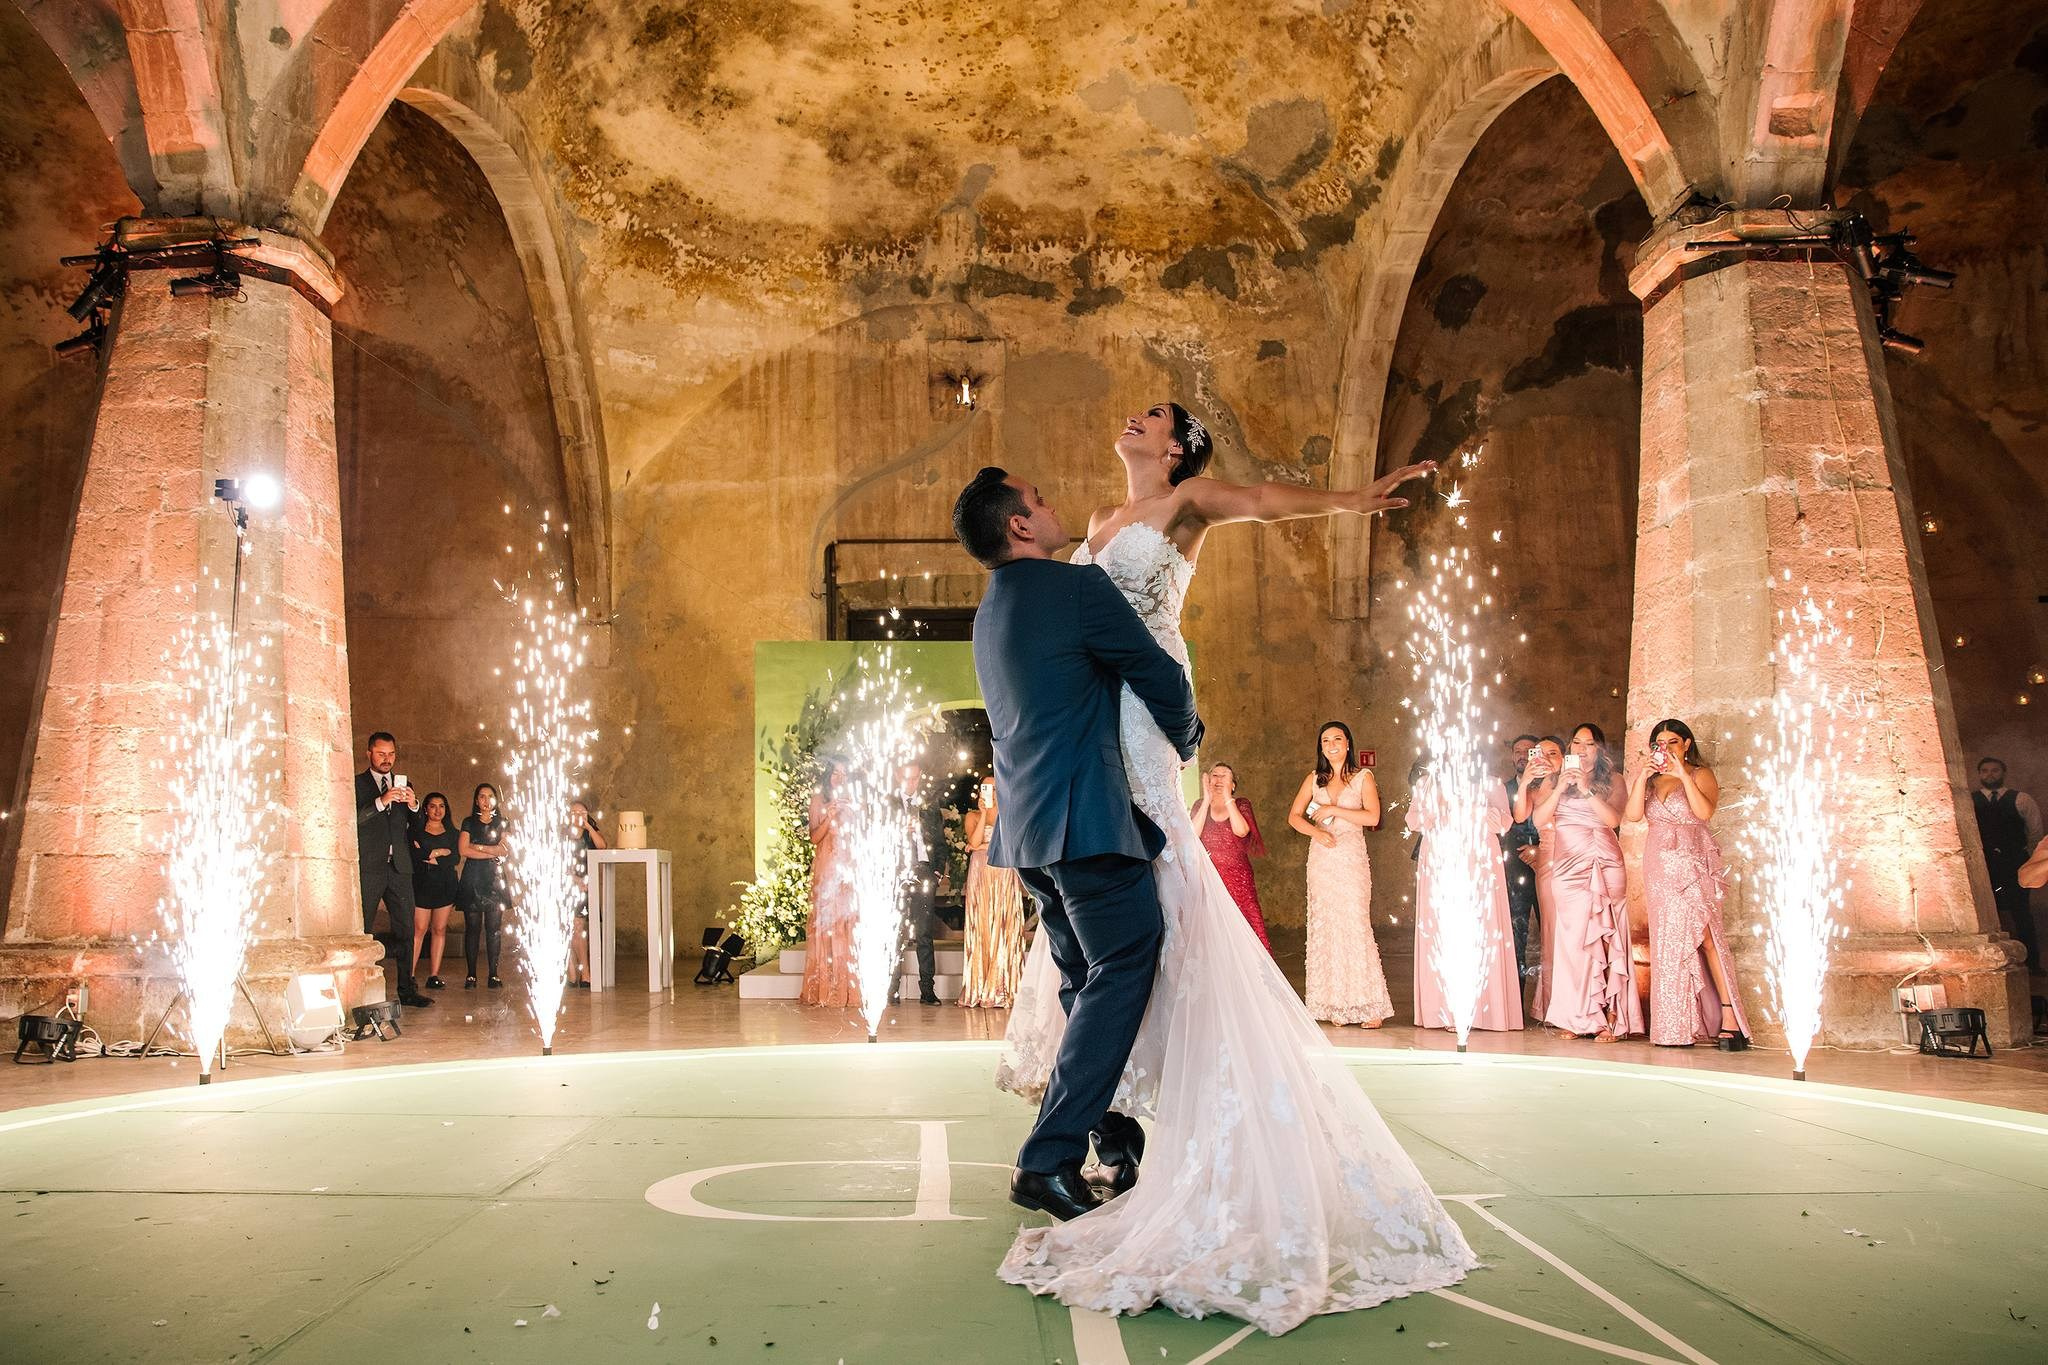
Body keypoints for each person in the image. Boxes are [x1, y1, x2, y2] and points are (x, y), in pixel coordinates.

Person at [977, 402, 1472, 1334]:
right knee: (1105, 943)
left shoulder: (1188, 500)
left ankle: (1132, 1131)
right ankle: (1113, 1135)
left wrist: (1353, 499)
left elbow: (1261, 499)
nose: (1133, 416)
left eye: (1155, 416)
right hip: (1094, 723)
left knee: (1146, 921)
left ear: (1175, 449)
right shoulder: (1089, 529)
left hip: (1143, 713)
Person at [1625, 720, 1750, 1047]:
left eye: (1672, 742)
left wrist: (1682, 774)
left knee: (1707, 936)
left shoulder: (1700, 773)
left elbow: (1704, 812)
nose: (1665, 748)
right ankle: (1674, 1027)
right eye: (1659, 743)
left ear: (1686, 743)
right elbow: (1634, 815)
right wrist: (1641, 775)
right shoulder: (1651, 781)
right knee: (1667, 941)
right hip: (1659, 866)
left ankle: (1729, 1015)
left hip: (1693, 861)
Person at [1525, 724, 1642, 1041]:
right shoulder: (1554, 779)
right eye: (1576, 743)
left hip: (1602, 861)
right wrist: (1562, 786)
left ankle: (1613, 1017)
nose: (1581, 748)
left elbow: (1613, 820)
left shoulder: (1612, 780)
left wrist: (1587, 790)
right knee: (1573, 942)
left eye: (1589, 744)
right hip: (1566, 867)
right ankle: (1578, 1016)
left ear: (1600, 750)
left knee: (1606, 938)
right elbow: (1538, 820)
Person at [1289, 721, 1393, 1027]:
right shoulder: (1313, 779)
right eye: (1325, 740)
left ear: (1348, 743)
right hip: (1322, 859)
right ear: (1320, 747)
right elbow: (1294, 816)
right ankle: (1334, 1005)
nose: (1331, 744)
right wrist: (1315, 833)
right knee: (1326, 928)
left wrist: (1334, 810)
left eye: (1337, 738)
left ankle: (1370, 1006)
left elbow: (1372, 816)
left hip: (1350, 858)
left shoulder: (1363, 777)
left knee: (1355, 924)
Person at [1407, 763, 1524, 1032]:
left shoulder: (1490, 782)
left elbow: (1503, 823)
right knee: (1443, 933)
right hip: (1439, 863)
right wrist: (1440, 804)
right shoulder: (1427, 783)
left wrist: (1469, 804)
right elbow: (1413, 821)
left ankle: (1483, 1009)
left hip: (1478, 864)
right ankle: (1445, 1009)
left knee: (1478, 932)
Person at [354, 732, 431, 1009]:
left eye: (391, 754)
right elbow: (354, 819)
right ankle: (358, 989)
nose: (387, 760)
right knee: (363, 928)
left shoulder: (404, 783)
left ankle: (407, 989)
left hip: (399, 867)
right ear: (369, 754)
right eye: (381, 754)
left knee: (406, 929)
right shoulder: (357, 784)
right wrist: (382, 801)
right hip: (371, 867)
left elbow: (418, 825)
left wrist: (413, 805)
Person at [959, 779, 1029, 1008]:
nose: (990, 792)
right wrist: (983, 814)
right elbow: (973, 841)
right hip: (980, 874)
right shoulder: (972, 816)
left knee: (1004, 923)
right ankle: (978, 986)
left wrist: (979, 848)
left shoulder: (1008, 812)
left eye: (994, 787)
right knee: (980, 926)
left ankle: (1002, 986)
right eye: (986, 788)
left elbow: (1010, 843)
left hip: (1003, 871)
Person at [1190, 763, 1271, 951]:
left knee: (1245, 925)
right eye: (1214, 775)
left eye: (1224, 775)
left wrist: (1228, 799)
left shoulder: (1242, 804)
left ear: (1233, 784)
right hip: (1209, 878)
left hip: (1238, 879)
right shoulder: (1198, 805)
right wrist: (1206, 800)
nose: (1218, 779)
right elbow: (1192, 834)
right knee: (1212, 928)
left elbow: (1241, 831)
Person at [1974, 758, 2043, 970]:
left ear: (2003, 772)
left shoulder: (2021, 799)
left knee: (2021, 912)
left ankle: (2032, 964)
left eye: (1995, 770)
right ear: (1979, 774)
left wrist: (2024, 859)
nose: (1990, 774)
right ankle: (1990, 964)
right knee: (1987, 914)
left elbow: (2035, 832)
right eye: (1985, 771)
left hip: (2014, 864)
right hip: (1983, 867)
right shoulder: (1970, 800)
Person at [800, 760, 858, 1008]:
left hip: (848, 867)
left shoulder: (852, 799)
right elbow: (814, 837)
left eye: (843, 774)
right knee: (827, 923)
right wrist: (829, 816)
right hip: (826, 866)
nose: (839, 778)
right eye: (835, 772)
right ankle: (825, 989)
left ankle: (847, 990)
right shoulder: (818, 799)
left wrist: (855, 813)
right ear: (827, 774)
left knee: (847, 923)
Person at [1518, 735, 1565, 1021]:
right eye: (1542, 753)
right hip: (1548, 862)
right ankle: (1553, 1003)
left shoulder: (1576, 783)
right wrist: (1525, 781)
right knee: (1551, 932)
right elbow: (1520, 814)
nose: (1547, 758)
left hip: (1578, 859)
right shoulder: (1537, 788)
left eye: (1554, 753)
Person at [458, 782, 509, 989]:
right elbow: (463, 850)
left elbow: (504, 850)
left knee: (494, 928)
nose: (486, 800)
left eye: (490, 796)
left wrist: (477, 846)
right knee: (472, 928)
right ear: (476, 800)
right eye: (482, 796)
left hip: (495, 878)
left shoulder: (503, 822)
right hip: (473, 877)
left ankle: (493, 974)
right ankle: (471, 974)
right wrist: (491, 850)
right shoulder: (468, 822)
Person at [409, 792, 460, 990]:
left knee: (439, 929)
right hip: (422, 882)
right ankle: (410, 975)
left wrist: (431, 854)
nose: (437, 810)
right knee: (419, 929)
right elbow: (415, 854)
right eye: (433, 806)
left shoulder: (453, 833)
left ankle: (434, 975)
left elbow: (454, 858)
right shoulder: (416, 831)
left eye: (442, 806)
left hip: (445, 884)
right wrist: (440, 852)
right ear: (425, 809)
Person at [1501, 733, 1542, 979]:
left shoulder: (1552, 785)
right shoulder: (1504, 789)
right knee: (1517, 933)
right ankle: (1516, 996)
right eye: (1518, 750)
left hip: (1549, 863)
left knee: (1552, 930)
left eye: (1529, 751)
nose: (1522, 756)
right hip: (1515, 868)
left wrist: (1539, 848)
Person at [567, 800, 606, 989]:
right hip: (567, 884)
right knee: (570, 928)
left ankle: (583, 971)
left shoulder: (589, 835)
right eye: (574, 812)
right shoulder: (562, 836)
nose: (577, 815)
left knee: (579, 927)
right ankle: (576, 971)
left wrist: (589, 827)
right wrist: (575, 880)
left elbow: (602, 847)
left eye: (581, 812)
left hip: (586, 887)